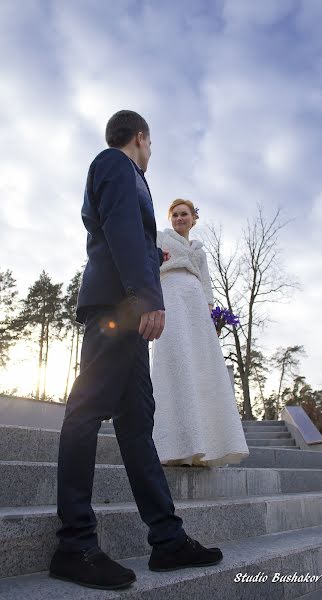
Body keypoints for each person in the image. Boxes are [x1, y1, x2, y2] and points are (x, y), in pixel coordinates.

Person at [49, 111, 222, 591]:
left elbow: (129, 233)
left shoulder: (119, 173)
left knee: (136, 425)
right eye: (151, 144)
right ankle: (74, 544)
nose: (150, 153)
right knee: (85, 413)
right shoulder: (118, 165)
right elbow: (123, 226)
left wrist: (152, 256)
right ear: (141, 138)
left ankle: (167, 539)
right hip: (118, 307)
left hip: (124, 304)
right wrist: (147, 295)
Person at [150, 199, 249, 467]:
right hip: (169, 295)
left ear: (194, 219)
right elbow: (149, 268)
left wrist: (209, 317)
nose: (180, 218)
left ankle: (204, 445)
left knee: (200, 368)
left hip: (195, 307)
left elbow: (206, 286)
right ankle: (174, 445)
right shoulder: (160, 239)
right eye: (175, 215)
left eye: (185, 214)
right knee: (176, 361)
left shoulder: (201, 252)